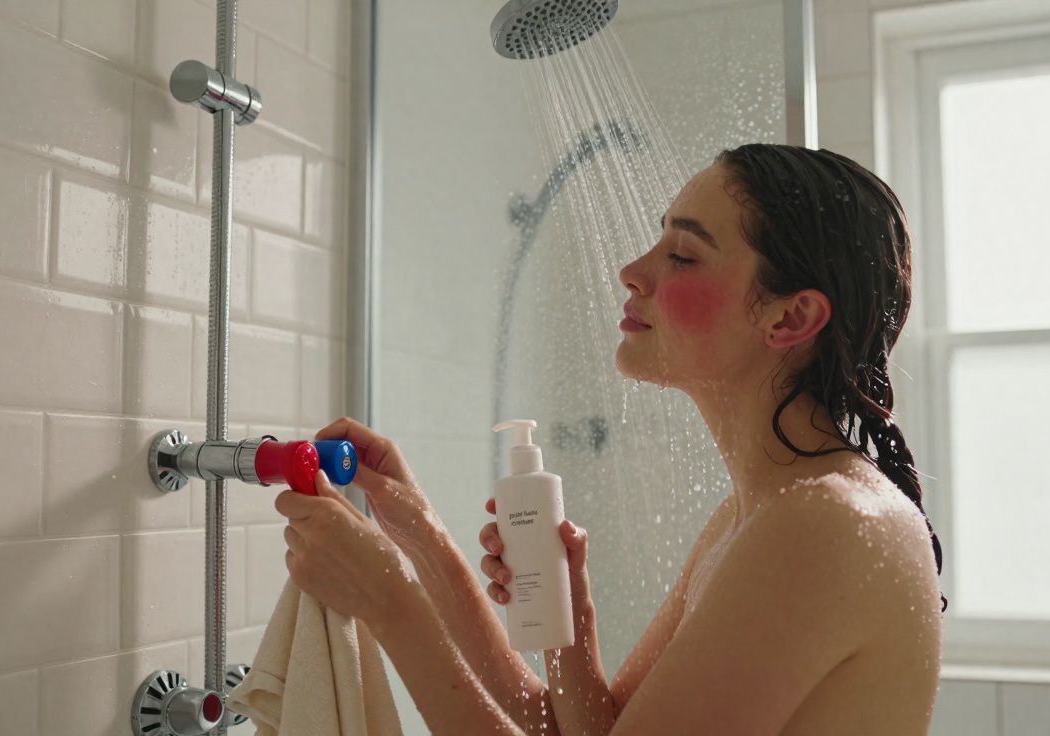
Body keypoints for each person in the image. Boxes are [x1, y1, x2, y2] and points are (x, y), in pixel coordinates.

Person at [276, 144, 946, 735]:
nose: (633, 269)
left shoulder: (823, 522)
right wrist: (423, 540)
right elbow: (574, 733)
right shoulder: (762, 513)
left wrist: (390, 601)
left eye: (682, 254)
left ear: (790, 317)